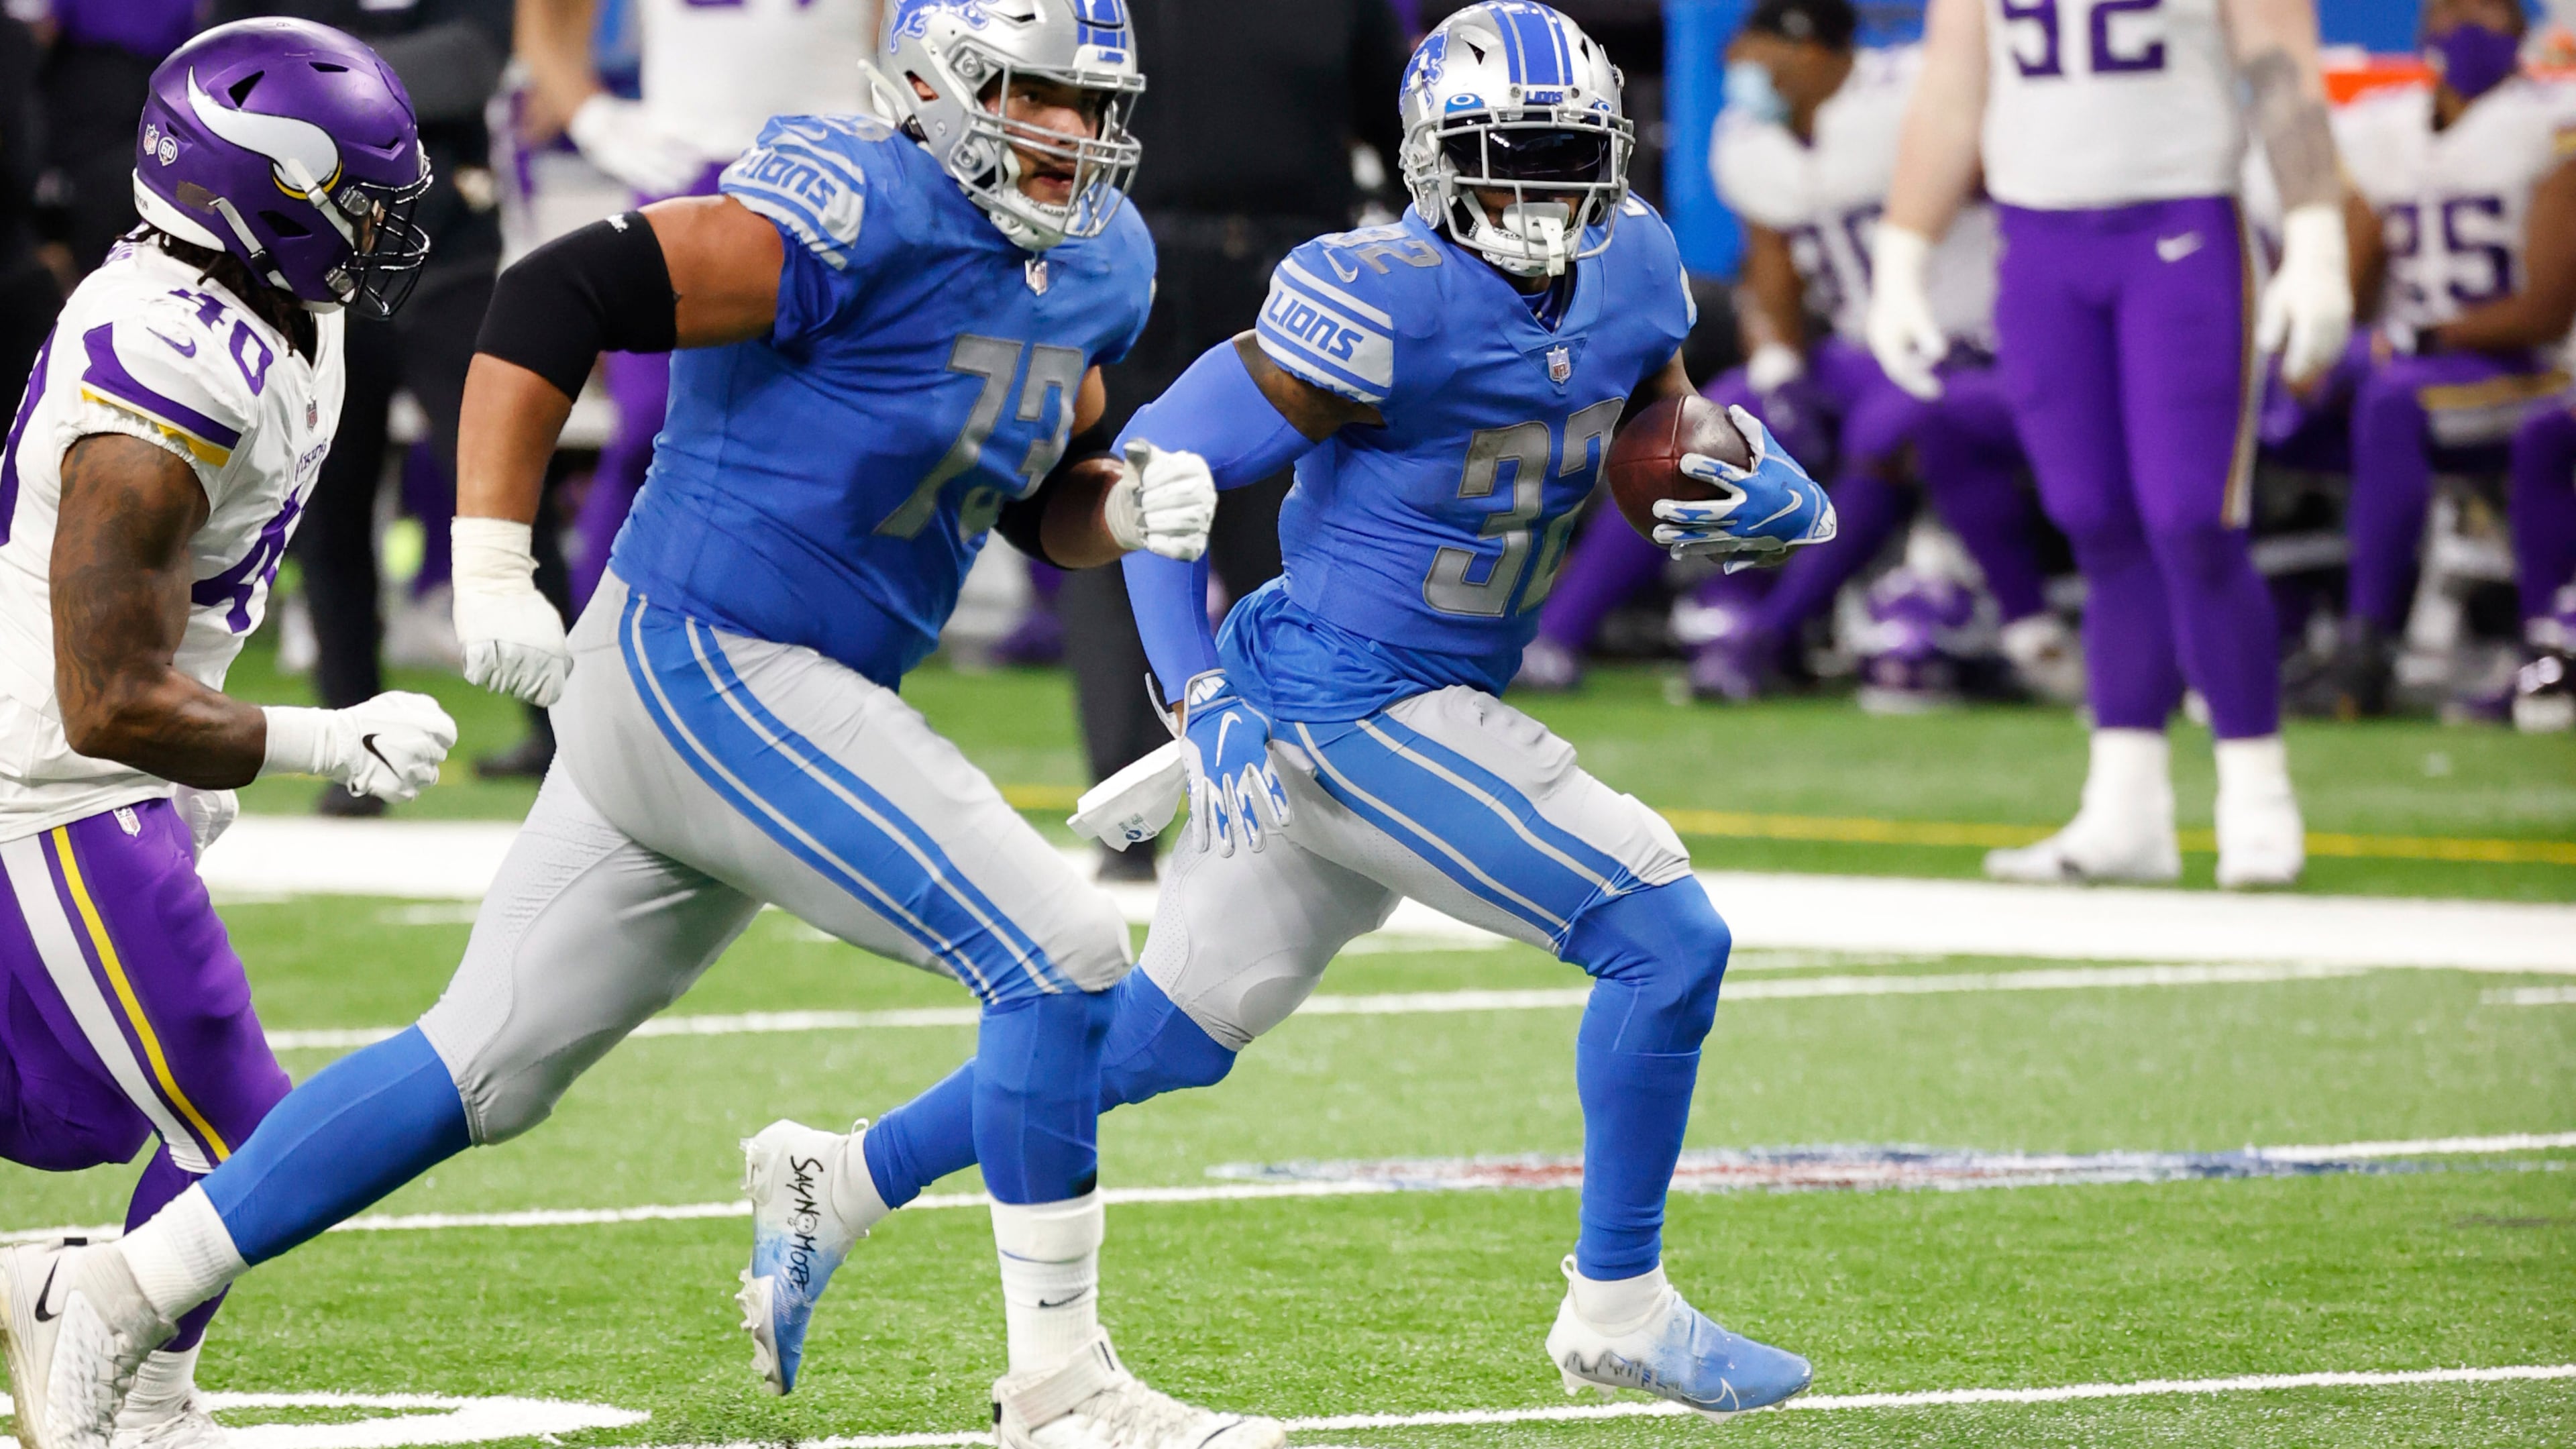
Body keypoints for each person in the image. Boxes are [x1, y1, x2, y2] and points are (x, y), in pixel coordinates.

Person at [23, 7, 1283, 1449]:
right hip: (712, 658)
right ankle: (1064, 1391)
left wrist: (1121, 510)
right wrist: (493, 555)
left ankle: (113, 1294)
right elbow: (560, 292)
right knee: (1060, 959)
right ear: (940, 85)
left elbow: (1024, 488)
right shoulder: (850, 202)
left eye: (1090, 102)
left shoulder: (1102, 264)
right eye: (1035, 95)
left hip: (741, 692)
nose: (1068, 132)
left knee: (478, 1068)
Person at [735, 2, 1829, 1422]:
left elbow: (1654, 420)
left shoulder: (1634, 265)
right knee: (1668, 940)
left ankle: (841, 1177)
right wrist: (1196, 696)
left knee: (1166, 1038)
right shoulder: (1378, 294)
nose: (1544, 196)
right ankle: (1618, 1304)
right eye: (1508, 161)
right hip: (1348, 698)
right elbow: (1155, 470)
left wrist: (1756, 487)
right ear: (1437, 163)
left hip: (1398, 695)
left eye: (1569, 160)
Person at [0, 20, 458, 1449]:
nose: (387, 233)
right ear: (250, 194)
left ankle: (84, 1336)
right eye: (357, 204)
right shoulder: (163, 368)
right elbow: (109, 699)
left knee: (83, 1117)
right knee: (247, 1133)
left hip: (104, 784)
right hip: (58, 787)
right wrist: (333, 740)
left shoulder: (263, 301)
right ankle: (119, 1379)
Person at [1868, 0, 2354, 888]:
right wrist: (1904, 251)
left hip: (2180, 223)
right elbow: (1953, 88)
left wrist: (2316, 231)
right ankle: (2125, 806)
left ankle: (2257, 794)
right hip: (2040, 239)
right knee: (2092, 517)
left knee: (2193, 515)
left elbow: (2281, 65)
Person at [1524, 0, 2077, 705]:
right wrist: (1780, 367)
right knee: (1698, 427)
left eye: (1760, 58)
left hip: (1973, 348)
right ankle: (1558, 635)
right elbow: (1773, 266)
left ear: (1815, 56)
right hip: (1858, 351)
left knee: (1891, 426)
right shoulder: (1753, 139)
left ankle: (1768, 640)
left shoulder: (1907, 98)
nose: (1741, 74)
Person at [1052, 0, 1411, 883]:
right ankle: (1131, 812)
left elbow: (1410, 143)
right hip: (1138, 265)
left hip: (1296, 287)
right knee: (1126, 516)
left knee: (1285, 542)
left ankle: (1288, 805)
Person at [213, 0, 515, 809]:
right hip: (313, 267)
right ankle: (356, 744)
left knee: (500, 487)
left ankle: (566, 736)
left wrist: (316, 80)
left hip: (450, 258)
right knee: (326, 504)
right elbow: (230, 79)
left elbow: (471, 63)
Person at [511, 0, 873, 614]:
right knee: (654, 431)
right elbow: (544, 14)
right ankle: (592, 647)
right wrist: (589, 112)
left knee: (830, 439)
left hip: (839, 173)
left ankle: (810, 646)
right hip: (689, 166)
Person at [2294, 0, 2576, 717]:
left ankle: (2367, 644)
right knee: (2305, 388)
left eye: (2485, 10)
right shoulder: (2389, 132)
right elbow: (2349, 289)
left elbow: (2545, 308)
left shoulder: (2548, 121)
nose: (2466, 27)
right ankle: (2283, 620)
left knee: (2393, 403)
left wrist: (2426, 340)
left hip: (2529, 369)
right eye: (2451, 11)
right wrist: (2316, 337)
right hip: (2420, 365)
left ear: (2519, 26)